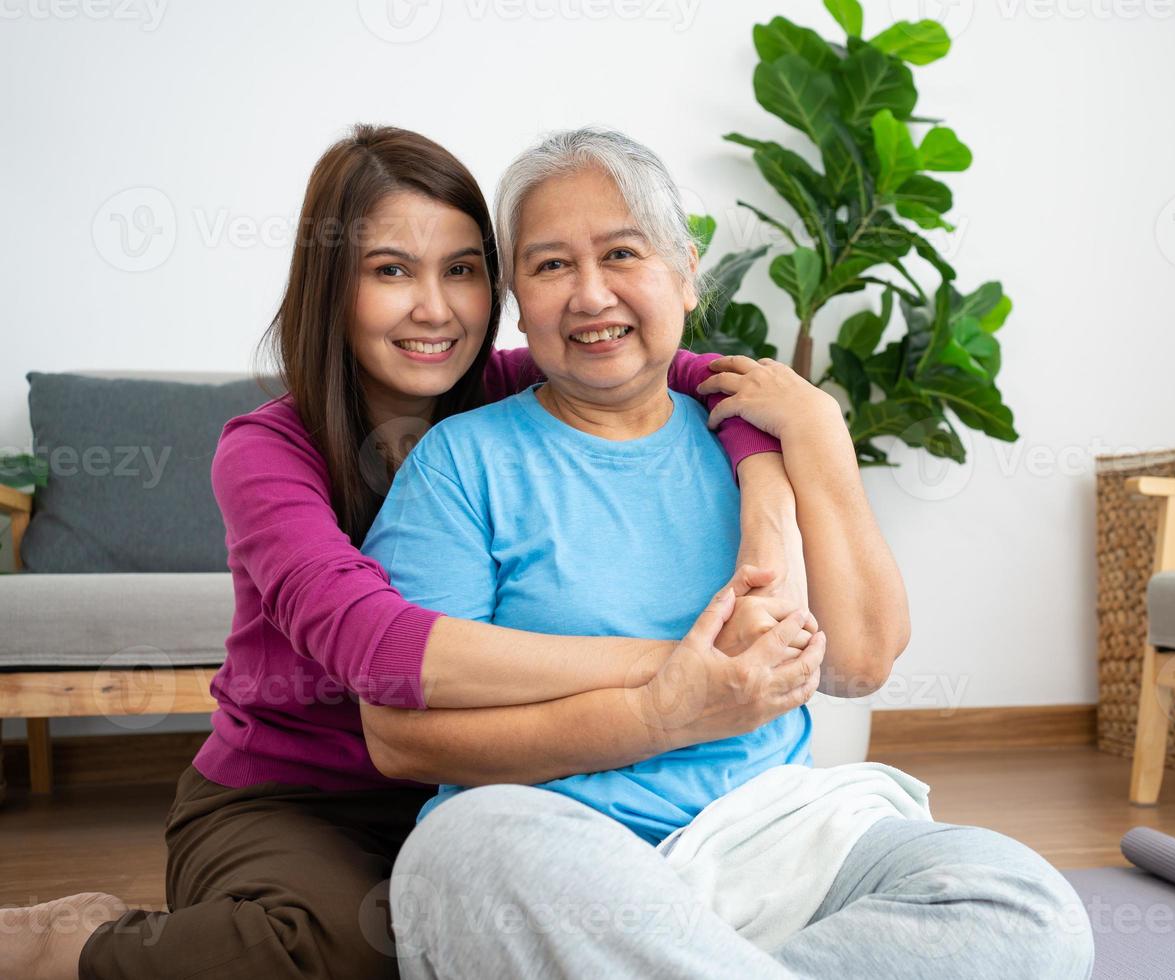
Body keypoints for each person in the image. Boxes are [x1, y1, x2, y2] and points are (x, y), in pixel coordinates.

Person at [0, 124, 828, 980]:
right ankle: (69, 946)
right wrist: (679, 672)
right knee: (348, 950)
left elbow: (692, 374)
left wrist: (767, 488)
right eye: (391, 270)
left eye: (462, 270)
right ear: (332, 288)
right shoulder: (266, 452)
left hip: (494, 782)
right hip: (297, 799)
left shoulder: (507, 387)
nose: (435, 309)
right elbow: (380, 650)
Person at [361, 127, 1094, 980]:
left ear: (686, 271)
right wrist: (662, 707)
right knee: (462, 854)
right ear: (517, 299)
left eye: (622, 253)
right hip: (555, 846)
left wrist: (822, 434)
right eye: (551, 265)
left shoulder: (758, 446)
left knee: (1025, 909)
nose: (591, 295)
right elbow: (406, 740)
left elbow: (857, 665)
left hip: (775, 836)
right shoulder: (461, 461)